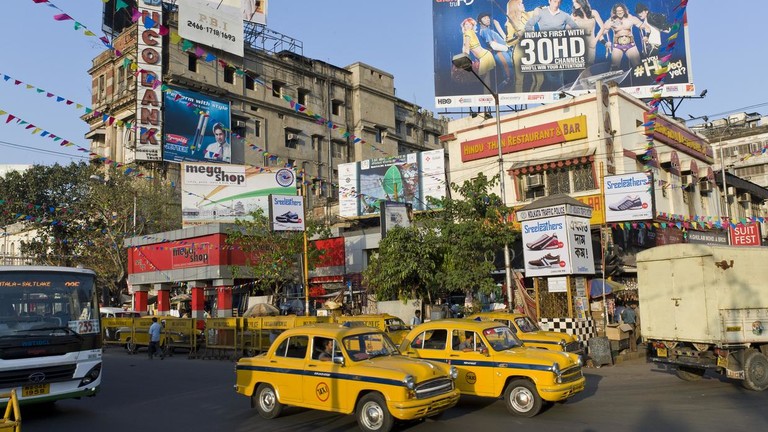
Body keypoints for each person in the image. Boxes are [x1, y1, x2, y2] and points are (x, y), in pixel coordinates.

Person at [524, 0, 578, 90]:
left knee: (560, 74)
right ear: (549, 1)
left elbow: (576, 28)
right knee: (548, 76)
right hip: (544, 49)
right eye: (554, 1)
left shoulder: (564, 15)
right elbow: (528, 26)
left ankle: (561, 93)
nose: (556, 3)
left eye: (558, 1)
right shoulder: (541, 13)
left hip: (559, 49)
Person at [595, 3, 650, 72]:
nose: (620, 12)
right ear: (615, 12)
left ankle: (641, 81)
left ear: (624, 10)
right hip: (617, 46)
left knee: (638, 67)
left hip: (630, 45)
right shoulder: (611, 21)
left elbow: (647, 28)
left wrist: (646, 36)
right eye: (618, 11)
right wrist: (605, 43)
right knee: (614, 67)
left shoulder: (631, 18)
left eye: (621, 11)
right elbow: (599, 34)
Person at [504, 0, 543, 92]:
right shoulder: (509, 24)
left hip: (532, 51)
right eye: (520, 3)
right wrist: (518, 37)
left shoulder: (527, 15)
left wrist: (540, 8)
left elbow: (538, 10)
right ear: (515, 6)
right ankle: (520, 101)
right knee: (519, 80)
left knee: (540, 79)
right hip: (519, 52)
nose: (523, 4)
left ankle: (534, 97)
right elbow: (508, 41)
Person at [476, 12, 513, 89]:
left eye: (488, 17)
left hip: (503, 52)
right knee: (508, 77)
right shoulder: (485, 31)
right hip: (500, 53)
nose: (487, 19)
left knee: (510, 75)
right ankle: (497, 95)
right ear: (480, 21)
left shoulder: (487, 30)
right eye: (484, 18)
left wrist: (498, 26)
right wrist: (507, 47)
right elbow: (494, 46)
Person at [571, 0, 607, 67]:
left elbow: (602, 27)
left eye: (575, 2)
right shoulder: (574, 15)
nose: (574, 4)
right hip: (579, 44)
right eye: (573, 2)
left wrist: (595, 41)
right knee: (581, 68)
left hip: (591, 43)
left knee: (589, 66)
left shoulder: (594, 13)